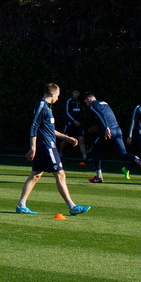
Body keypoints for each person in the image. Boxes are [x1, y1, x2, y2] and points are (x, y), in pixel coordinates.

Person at [17, 83, 86, 215]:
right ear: (53, 94)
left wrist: (66, 137)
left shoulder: (47, 108)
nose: (58, 98)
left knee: (35, 175)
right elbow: (34, 127)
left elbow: (49, 129)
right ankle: (72, 207)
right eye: (58, 95)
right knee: (60, 175)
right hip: (47, 147)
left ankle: (21, 205)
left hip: (44, 147)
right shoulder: (42, 106)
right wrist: (33, 147)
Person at [83, 92, 141, 182]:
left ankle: (99, 177)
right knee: (123, 154)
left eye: (86, 101)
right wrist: (98, 127)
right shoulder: (104, 103)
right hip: (117, 130)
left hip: (108, 131)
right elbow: (108, 116)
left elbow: (101, 116)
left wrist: (106, 128)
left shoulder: (93, 105)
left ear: (89, 99)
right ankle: (137, 160)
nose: (86, 103)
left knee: (95, 152)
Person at [63, 87, 89, 164]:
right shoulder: (69, 101)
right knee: (65, 138)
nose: (76, 94)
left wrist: (79, 120)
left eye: (77, 93)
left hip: (78, 124)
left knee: (81, 139)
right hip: (70, 123)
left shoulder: (79, 102)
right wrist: (73, 120)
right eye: (75, 93)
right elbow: (67, 112)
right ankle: (60, 154)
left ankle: (85, 157)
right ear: (73, 93)